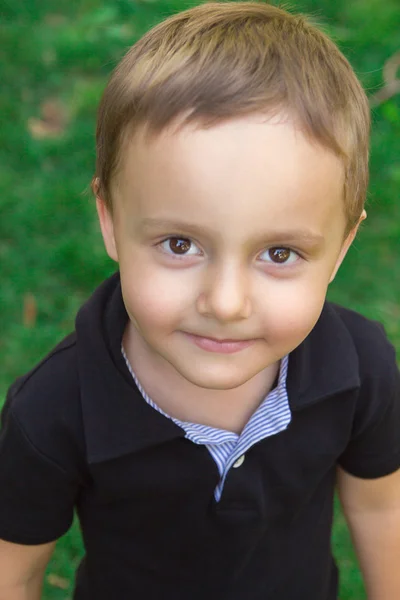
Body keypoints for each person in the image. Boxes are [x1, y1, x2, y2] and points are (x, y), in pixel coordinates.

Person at [0, 2, 399, 599]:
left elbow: (379, 509)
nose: (227, 302)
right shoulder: (55, 412)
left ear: (341, 248)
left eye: (280, 253)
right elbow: (14, 572)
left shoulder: (361, 369)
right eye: (181, 243)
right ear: (109, 221)